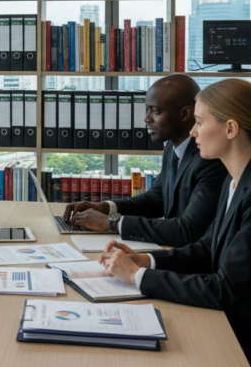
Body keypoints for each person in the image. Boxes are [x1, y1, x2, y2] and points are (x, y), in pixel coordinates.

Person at [99, 79, 251, 367]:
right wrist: (144, 260)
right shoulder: (237, 178)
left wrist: (137, 276)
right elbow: (206, 248)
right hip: (245, 322)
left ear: (230, 129)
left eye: (199, 122)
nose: (192, 131)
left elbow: (224, 290)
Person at [63, 74, 226, 248]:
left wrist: (112, 223)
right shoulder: (172, 148)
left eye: (155, 111)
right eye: (147, 110)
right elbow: (156, 200)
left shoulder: (209, 158)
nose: (147, 119)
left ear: (185, 114)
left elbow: (189, 230)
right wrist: (106, 207)